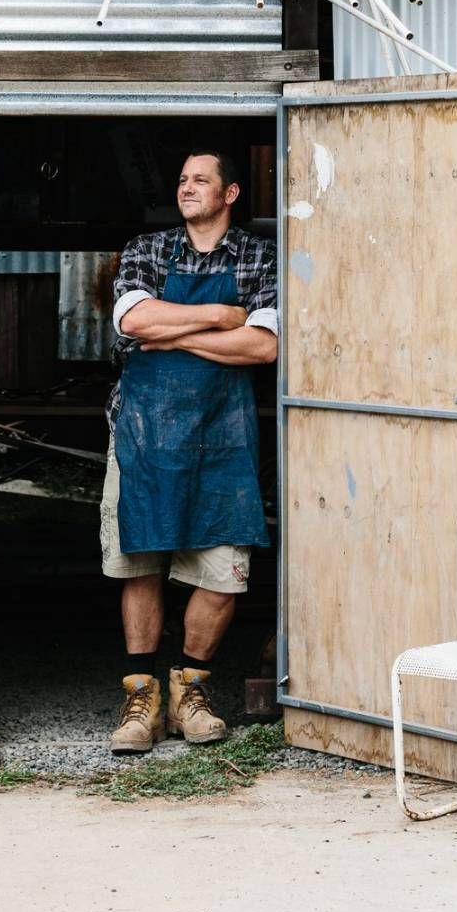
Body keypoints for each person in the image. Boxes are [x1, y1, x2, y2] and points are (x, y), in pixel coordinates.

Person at [101, 148, 277, 753]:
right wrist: (218, 318)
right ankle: (141, 698)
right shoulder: (149, 250)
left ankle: (189, 688)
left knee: (224, 571)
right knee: (141, 560)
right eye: (181, 179)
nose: (186, 187)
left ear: (230, 194)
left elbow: (262, 348)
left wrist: (178, 335)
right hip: (143, 432)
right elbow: (134, 324)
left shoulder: (258, 256)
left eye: (201, 180)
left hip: (222, 437)